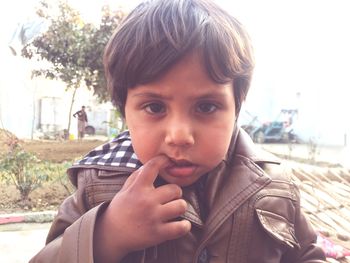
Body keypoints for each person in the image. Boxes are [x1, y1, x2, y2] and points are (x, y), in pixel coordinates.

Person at [30, 0, 326, 262]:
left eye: (206, 107)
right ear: (125, 112)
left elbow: (307, 254)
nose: (180, 135)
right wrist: (107, 234)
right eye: (155, 107)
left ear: (237, 107)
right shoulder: (98, 186)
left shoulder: (275, 186)